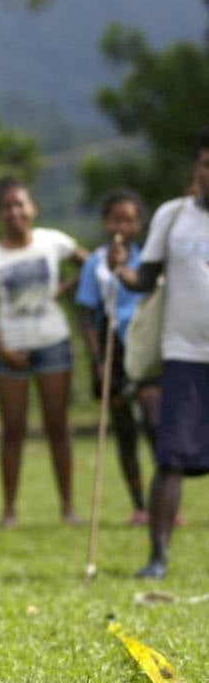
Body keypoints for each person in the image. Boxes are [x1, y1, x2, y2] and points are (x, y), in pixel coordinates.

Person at [110, 131, 209, 580]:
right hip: (183, 354)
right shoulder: (173, 216)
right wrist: (120, 269)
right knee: (170, 458)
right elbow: (144, 279)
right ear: (196, 168)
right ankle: (158, 557)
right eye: (205, 163)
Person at [0, 178, 88, 528]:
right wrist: (4, 349)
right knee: (13, 430)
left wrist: (65, 287)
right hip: (10, 349)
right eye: (7, 206)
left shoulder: (54, 241)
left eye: (20, 204)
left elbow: (91, 263)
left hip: (53, 343)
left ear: (32, 208)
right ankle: (9, 511)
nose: (15, 212)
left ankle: (68, 508)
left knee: (58, 427)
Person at [75, 189, 158, 525]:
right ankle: (139, 505)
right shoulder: (95, 264)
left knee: (156, 425)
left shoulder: (150, 261)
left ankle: (164, 499)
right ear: (106, 222)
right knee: (125, 431)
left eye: (129, 218)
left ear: (138, 224)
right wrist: (97, 359)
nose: (122, 224)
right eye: (116, 218)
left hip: (148, 350)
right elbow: (86, 313)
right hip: (114, 350)